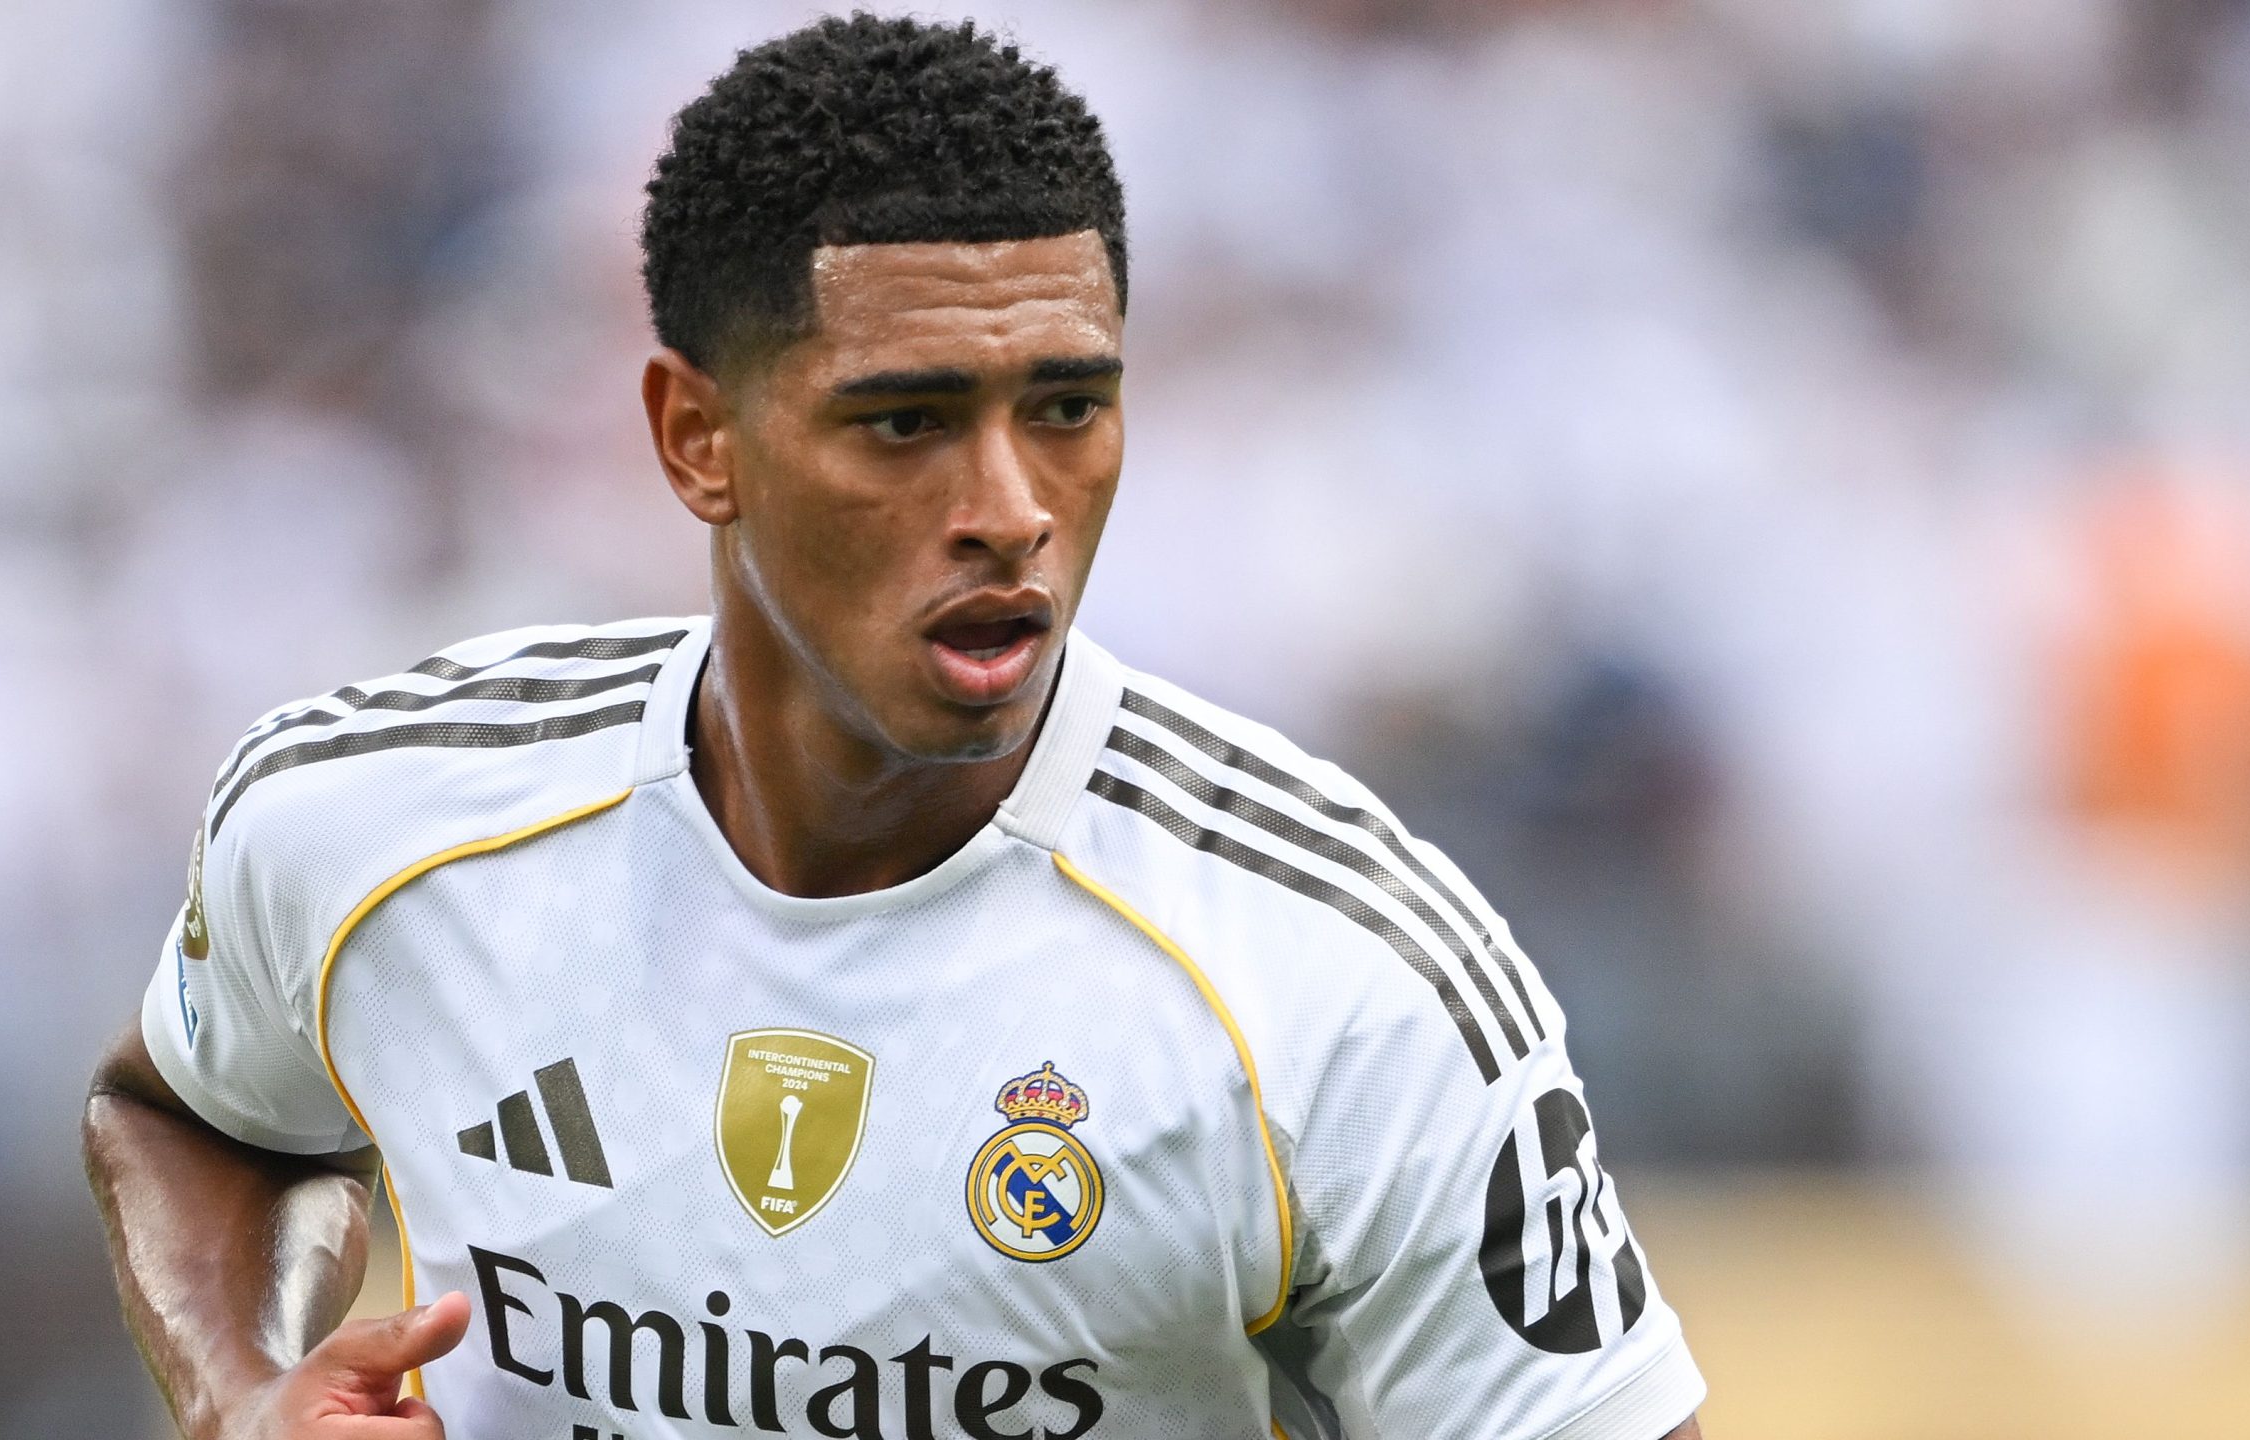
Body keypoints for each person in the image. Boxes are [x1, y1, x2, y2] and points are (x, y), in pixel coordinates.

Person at [82, 15, 1706, 1440]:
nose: (1012, 509)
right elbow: (183, 1115)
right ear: (697, 437)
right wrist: (243, 1387)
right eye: (906, 421)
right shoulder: (378, 825)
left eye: (1066, 407)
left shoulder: (1345, 986)